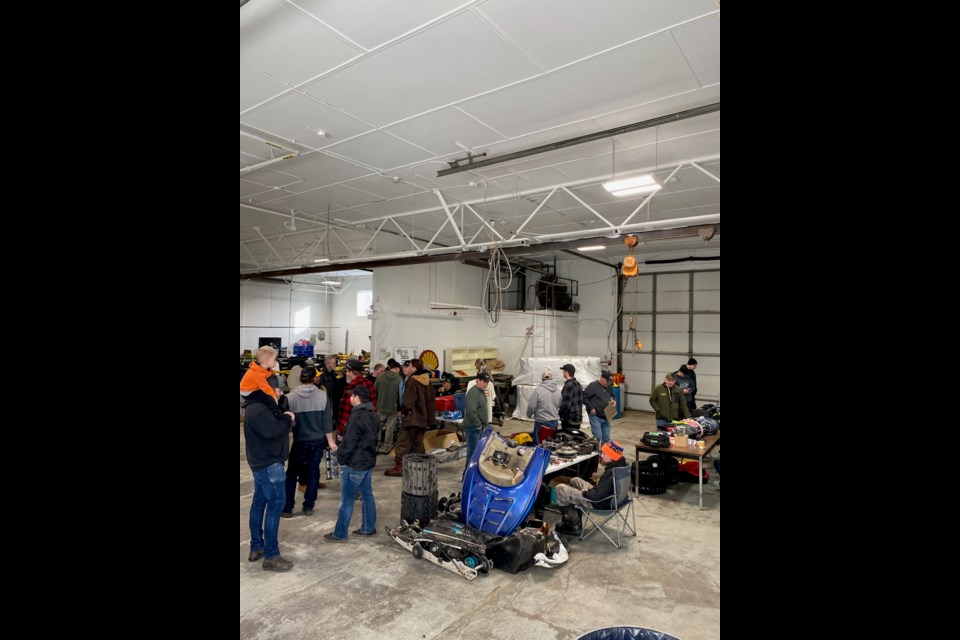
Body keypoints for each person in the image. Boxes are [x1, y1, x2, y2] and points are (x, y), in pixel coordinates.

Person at [243, 374, 296, 571]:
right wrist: (288, 421)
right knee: (275, 505)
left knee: (259, 502)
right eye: (279, 390)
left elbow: (274, 425)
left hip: (261, 463)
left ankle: (256, 546)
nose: (281, 393)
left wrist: (284, 417)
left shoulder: (258, 406)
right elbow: (273, 431)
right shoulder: (259, 410)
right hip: (269, 464)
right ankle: (271, 556)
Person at [324, 385, 379, 541]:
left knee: (346, 500)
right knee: (367, 495)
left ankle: (340, 533)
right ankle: (368, 528)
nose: (349, 399)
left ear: (356, 398)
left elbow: (350, 443)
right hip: (368, 462)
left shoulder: (356, 416)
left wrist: (340, 458)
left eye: (351, 396)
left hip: (354, 464)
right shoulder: (373, 415)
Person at [281, 366, 336, 518]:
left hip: (299, 441)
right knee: (313, 472)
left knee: (291, 474)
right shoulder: (323, 396)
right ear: (315, 379)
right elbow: (327, 421)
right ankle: (308, 506)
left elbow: (284, 422)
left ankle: (287, 508)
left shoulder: (290, 397)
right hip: (317, 441)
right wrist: (331, 442)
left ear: (301, 378)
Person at [553, 441, 628, 535]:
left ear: (612, 456)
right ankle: (576, 517)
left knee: (561, 489)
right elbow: (602, 490)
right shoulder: (623, 466)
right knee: (575, 480)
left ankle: (573, 525)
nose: (602, 456)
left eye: (605, 453)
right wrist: (590, 491)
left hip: (600, 503)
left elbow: (597, 496)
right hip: (614, 499)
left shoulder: (611, 473)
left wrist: (586, 493)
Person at [385, 358, 436, 477]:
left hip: (412, 418)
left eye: (409, 366)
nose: (406, 368)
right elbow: (431, 401)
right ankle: (423, 468)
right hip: (423, 419)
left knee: (402, 443)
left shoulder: (412, 382)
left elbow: (408, 402)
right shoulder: (427, 381)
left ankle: (400, 468)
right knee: (418, 444)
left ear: (414, 368)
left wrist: (402, 409)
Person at [337, 360, 377, 440]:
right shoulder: (369, 383)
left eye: (347, 371)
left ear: (351, 372)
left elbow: (345, 411)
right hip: (367, 426)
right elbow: (374, 405)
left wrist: (341, 432)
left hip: (352, 428)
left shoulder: (351, 388)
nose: (346, 374)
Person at [525, 366, 561, 444]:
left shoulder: (538, 391)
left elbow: (531, 406)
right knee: (551, 445)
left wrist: (528, 414)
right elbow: (560, 405)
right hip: (554, 422)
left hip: (541, 422)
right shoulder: (558, 391)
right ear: (552, 379)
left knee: (539, 446)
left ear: (542, 379)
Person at [374, 359, 402, 454]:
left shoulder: (380, 377)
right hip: (393, 408)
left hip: (381, 406)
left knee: (378, 426)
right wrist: (400, 408)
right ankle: (386, 447)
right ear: (397, 368)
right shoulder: (399, 379)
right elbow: (401, 396)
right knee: (390, 428)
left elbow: (374, 390)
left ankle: (376, 445)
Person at [463, 371, 490, 466]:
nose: (485, 384)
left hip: (478, 427)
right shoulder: (473, 393)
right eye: (483, 381)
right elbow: (471, 411)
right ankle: (467, 477)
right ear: (478, 380)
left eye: (487, 382)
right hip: (472, 427)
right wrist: (478, 424)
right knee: (473, 454)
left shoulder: (481, 392)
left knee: (476, 453)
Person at [583, 370, 615, 445]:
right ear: (602, 378)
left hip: (606, 416)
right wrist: (591, 408)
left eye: (609, 381)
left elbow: (613, 395)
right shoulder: (593, 386)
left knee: (606, 438)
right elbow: (584, 397)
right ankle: (594, 453)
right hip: (596, 416)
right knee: (597, 436)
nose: (608, 383)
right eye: (607, 381)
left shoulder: (609, 387)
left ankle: (603, 455)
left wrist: (614, 400)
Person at [558, 363, 584, 432]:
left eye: (563, 371)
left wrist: (561, 415)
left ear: (566, 372)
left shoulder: (568, 386)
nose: (562, 372)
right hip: (578, 419)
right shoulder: (579, 385)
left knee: (567, 439)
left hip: (569, 420)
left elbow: (566, 405)